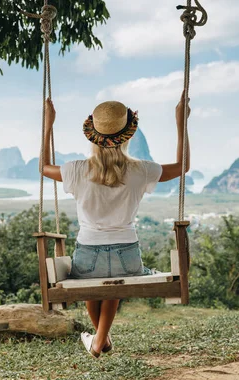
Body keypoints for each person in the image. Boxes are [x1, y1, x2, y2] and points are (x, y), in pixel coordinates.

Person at [40, 91, 190, 358]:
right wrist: (181, 123)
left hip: (87, 254)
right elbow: (182, 166)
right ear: (128, 135)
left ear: (93, 136)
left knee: (91, 280)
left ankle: (99, 340)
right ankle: (101, 339)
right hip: (128, 257)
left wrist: (47, 124)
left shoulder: (76, 169)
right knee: (114, 281)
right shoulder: (141, 170)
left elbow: (43, 167)